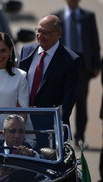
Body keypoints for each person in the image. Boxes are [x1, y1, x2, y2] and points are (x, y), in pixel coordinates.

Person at [19, 15, 81, 148]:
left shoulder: (70, 60)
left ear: (58, 34)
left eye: (46, 33)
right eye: (39, 31)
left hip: (49, 130)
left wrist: (58, 124)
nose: (40, 35)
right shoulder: (26, 50)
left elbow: (69, 98)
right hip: (22, 125)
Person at [53, 0, 101, 148]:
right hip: (63, 63)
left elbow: (95, 41)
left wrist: (96, 64)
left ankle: (80, 136)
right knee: (61, 102)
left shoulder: (88, 16)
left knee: (81, 102)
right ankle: (61, 136)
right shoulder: (57, 17)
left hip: (82, 64)